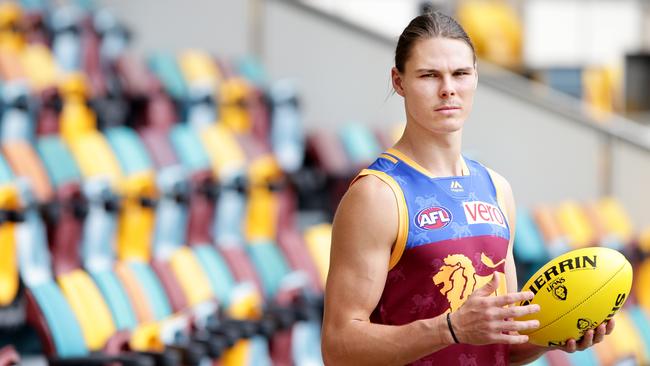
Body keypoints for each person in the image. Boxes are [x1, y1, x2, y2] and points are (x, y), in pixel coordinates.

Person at [321, 11, 614, 365]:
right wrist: (450, 328)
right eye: (429, 75)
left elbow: (502, 344)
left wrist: (552, 335)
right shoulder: (378, 195)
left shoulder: (496, 188)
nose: (448, 88)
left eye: (460, 73)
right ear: (398, 82)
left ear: (475, 77)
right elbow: (339, 346)